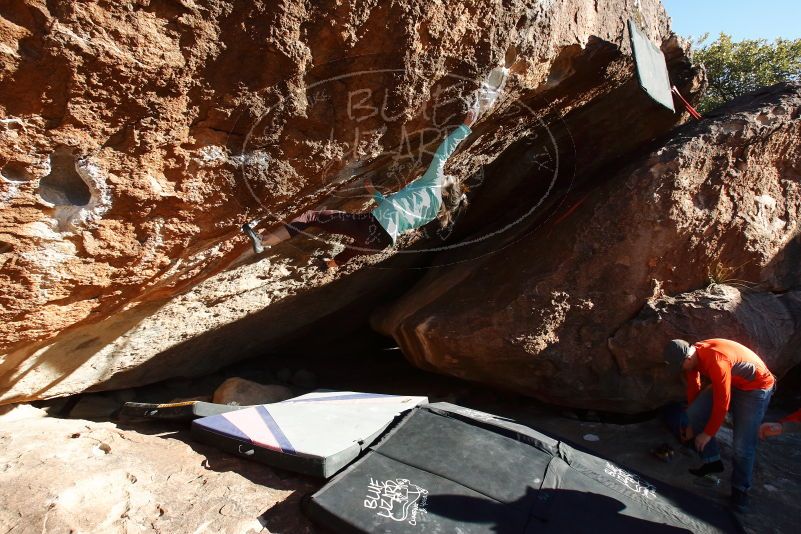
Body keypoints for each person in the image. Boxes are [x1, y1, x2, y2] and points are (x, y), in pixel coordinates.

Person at [257, 110, 476, 269]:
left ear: (446, 191)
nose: (447, 175)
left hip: (370, 225)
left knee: (312, 216)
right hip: (381, 241)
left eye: (450, 179)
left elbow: (442, 153)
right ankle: (332, 264)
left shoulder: (433, 183)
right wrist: (376, 195)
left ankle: (264, 241)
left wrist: (465, 127)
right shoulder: (431, 213)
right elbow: (398, 214)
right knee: (353, 250)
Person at [663, 338, 775, 512]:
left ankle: (740, 491)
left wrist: (707, 433)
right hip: (731, 381)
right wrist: (693, 424)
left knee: (742, 446)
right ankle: (712, 463)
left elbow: (723, 404)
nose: (679, 370)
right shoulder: (693, 358)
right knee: (693, 412)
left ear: (687, 358)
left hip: (756, 388)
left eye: (679, 366)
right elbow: (694, 388)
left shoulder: (716, 359)